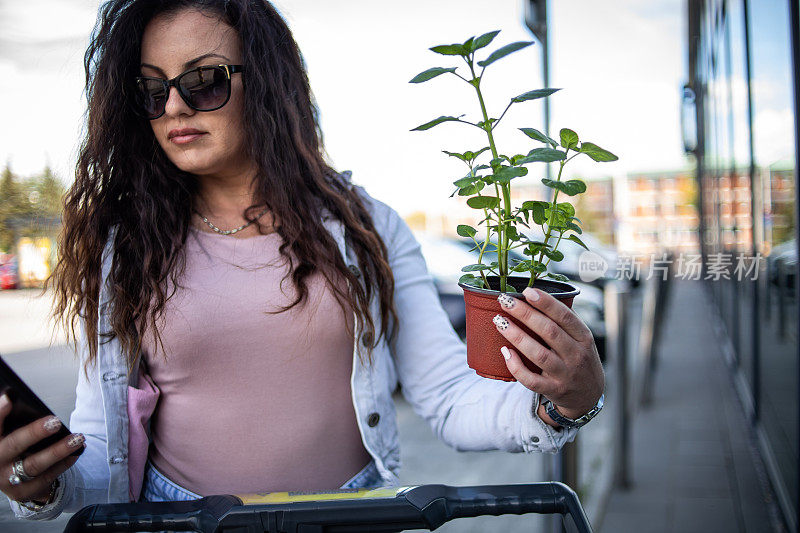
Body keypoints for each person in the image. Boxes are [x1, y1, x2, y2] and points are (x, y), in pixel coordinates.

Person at [1, 0, 605, 520]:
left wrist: (562, 402)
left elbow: (447, 394)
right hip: (181, 525)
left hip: (353, 520)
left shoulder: (365, 227)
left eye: (204, 80)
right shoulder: (125, 248)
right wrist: (39, 480)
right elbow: (105, 454)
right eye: (152, 91)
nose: (176, 108)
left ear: (264, 80)